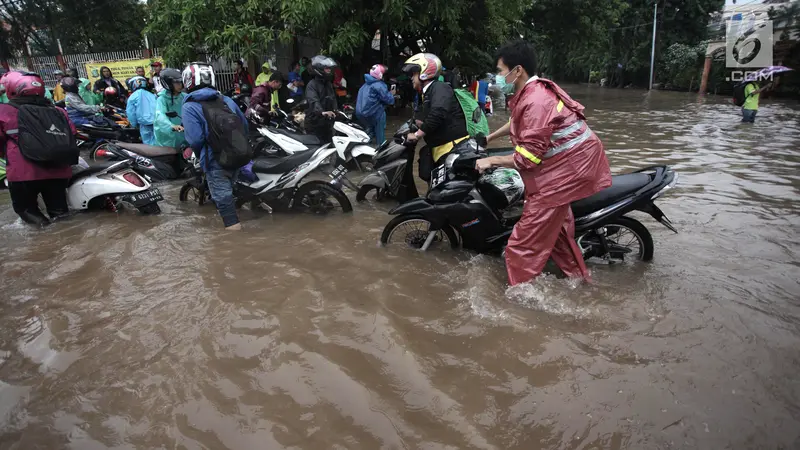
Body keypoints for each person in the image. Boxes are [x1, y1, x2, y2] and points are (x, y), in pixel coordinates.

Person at [474, 40, 611, 286]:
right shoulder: (531, 92)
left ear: (517, 71)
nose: (497, 77)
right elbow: (518, 122)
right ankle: (582, 284)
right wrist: (490, 138)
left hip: (567, 172)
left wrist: (492, 160)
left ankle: (519, 304)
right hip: (569, 166)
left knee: (521, 246)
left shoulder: (536, 101)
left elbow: (527, 159)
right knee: (557, 233)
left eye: (500, 70)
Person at [0, 72, 76, 225]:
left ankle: (45, 236)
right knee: (60, 213)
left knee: (27, 211)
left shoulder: (4, 111)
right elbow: (72, 134)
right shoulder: (59, 111)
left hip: (23, 173)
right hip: (59, 171)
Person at [181, 62, 248, 230]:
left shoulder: (189, 106)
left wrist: (202, 155)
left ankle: (235, 242)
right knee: (230, 193)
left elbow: (195, 139)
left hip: (216, 160)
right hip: (238, 156)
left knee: (224, 202)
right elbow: (245, 126)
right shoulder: (226, 100)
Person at [403, 53, 468, 182]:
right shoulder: (427, 92)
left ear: (424, 72)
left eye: (413, 74)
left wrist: (417, 135)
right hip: (440, 148)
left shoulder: (439, 87)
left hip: (452, 149)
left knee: (444, 193)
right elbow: (426, 116)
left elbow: (438, 113)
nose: (411, 78)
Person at [356, 64, 395, 145]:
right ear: (380, 75)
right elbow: (389, 100)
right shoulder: (379, 85)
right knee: (380, 133)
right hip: (375, 114)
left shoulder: (365, 84)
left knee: (369, 133)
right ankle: (381, 149)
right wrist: (392, 94)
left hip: (362, 114)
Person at [304, 55, 339, 143]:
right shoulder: (312, 85)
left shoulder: (328, 84)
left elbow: (332, 98)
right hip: (314, 122)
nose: (329, 70)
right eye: (327, 68)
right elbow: (313, 101)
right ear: (319, 69)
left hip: (326, 123)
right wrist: (321, 111)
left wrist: (336, 110)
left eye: (329, 68)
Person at [154, 68, 186, 148]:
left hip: (184, 134)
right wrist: (171, 126)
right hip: (168, 138)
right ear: (168, 83)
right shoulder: (162, 99)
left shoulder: (184, 97)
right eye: (176, 82)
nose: (180, 85)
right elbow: (160, 115)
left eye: (180, 82)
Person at [125, 76, 157, 145]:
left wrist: (133, 124)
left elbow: (131, 113)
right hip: (156, 122)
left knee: (148, 143)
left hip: (144, 124)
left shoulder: (133, 96)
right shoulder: (152, 95)